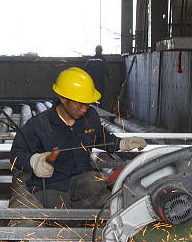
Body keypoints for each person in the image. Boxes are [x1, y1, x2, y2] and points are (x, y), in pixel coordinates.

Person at [10, 67, 147, 209]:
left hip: (81, 179)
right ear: (63, 99)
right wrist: (34, 161)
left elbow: (99, 137)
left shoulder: (90, 117)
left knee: (96, 182)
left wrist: (121, 143)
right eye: (80, 104)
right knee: (60, 212)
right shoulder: (39, 124)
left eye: (87, 104)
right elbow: (16, 154)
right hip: (51, 185)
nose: (84, 109)